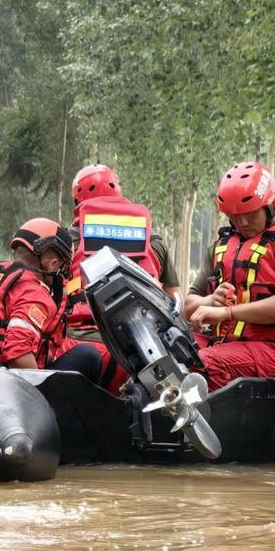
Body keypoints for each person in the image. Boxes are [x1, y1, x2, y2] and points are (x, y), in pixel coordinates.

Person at [59, 164, 181, 393]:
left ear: (77, 202)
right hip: (144, 349)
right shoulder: (154, 241)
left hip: (81, 345)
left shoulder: (65, 242)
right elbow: (176, 302)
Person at [0, 217, 101, 377]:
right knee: (88, 356)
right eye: (63, 267)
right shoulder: (34, 291)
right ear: (53, 264)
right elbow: (18, 354)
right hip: (0, 383)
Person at [184, 161, 275, 390]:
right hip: (223, 344)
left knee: (203, 364)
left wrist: (226, 312)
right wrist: (210, 300)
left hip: (268, 349)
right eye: (234, 215)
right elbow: (187, 307)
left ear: (270, 206)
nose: (241, 222)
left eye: (250, 213)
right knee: (167, 356)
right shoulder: (219, 248)